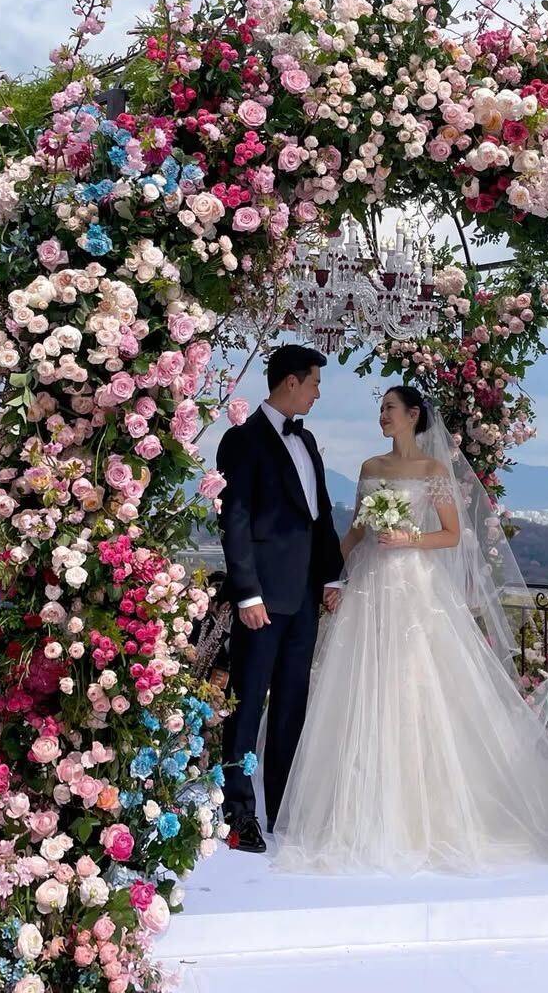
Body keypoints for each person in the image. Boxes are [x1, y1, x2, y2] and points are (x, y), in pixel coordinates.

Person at [273, 385, 548, 875]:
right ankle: (357, 809)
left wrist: (408, 537)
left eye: (389, 408)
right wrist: (332, 576)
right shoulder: (370, 469)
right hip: (369, 588)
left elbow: (451, 534)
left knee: (415, 685)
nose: (382, 415)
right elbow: (357, 532)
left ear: (412, 416)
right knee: (364, 685)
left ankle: (421, 812)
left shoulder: (433, 471)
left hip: (413, 588)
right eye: (379, 408)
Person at [216, 344, 344, 853]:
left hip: (304, 597)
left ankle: (284, 806)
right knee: (247, 707)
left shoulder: (308, 441)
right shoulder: (241, 440)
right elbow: (236, 520)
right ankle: (238, 813)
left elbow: (321, 516)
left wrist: (331, 578)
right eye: (314, 383)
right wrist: (247, 592)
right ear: (290, 382)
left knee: (293, 704)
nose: (317, 393)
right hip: (262, 599)